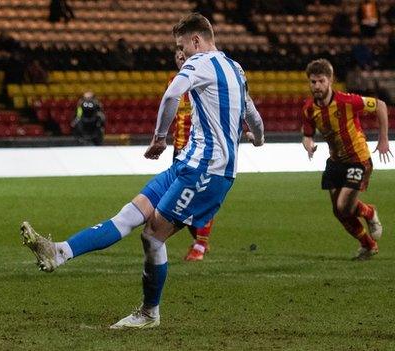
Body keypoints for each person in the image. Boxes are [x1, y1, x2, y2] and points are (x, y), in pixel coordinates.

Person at [21, 13, 264, 329]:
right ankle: (60, 251)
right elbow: (253, 115)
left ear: (196, 40)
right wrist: (257, 139)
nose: (181, 54)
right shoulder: (235, 68)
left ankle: (150, 313)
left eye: (182, 46)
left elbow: (172, 94)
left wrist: (159, 138)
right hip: (186, 164)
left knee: (152, 236)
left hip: (207, 171)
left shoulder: (201, 61)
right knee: (128, 216)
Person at [301, 58, 391, 260]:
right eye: (313, 82)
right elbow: (307, 135)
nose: (316, 86)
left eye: (321, 81)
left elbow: (381, 105)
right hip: (335, 161)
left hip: (358, 159)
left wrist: (383, 139)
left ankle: (369, 212)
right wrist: (309, 145)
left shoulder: (347, 101)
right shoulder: (308, 108)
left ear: (330, 80)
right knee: (339, 211)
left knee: (344, 206)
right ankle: (368, 245)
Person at [170, 49, 215, 262]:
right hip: (179, 150)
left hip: (199, 151)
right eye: (176, 53)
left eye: (183, 52)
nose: (180, 55)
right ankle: (201, 242)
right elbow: (175, 115)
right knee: (182, 203)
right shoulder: (174, 82)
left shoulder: (204, 80)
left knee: (199, 199)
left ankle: (200, 245)